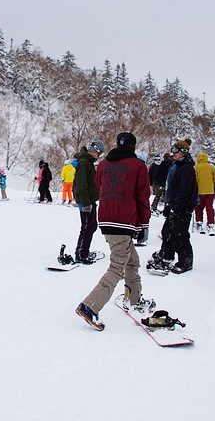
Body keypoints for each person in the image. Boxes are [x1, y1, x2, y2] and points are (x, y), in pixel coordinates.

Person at [75, 132, 154, 331]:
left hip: (106, 217)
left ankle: (133, 298)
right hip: (124, 219)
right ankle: (90, 306)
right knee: (117, 266)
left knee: (132, 260)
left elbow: (99, 183)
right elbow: (143, 196)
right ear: (133, 147)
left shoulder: (103, 164)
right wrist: (144, 224)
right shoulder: (138, 166)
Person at [147, 138, 198, 275]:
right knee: (167, 232)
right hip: (175, 204)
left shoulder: (186, 168)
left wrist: (176, 207)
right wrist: (170, 205)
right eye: (172, 150)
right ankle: (166, 255)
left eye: (176, 151)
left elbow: (184, 190)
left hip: (183, 206)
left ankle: (186, 261)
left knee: (179, 234)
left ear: (184, 152)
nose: (173, 153)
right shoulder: (177, 166)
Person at [72, 139, 105, 264]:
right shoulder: (85, 162)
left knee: (91, 226)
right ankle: (81, 254)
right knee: (87, 227)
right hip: (86, 201)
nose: (99, 156)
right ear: (95, 151)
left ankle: (84, 251)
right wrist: (86, 203)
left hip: (90, 200)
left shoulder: (88, 162)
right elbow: (80, 185)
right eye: (99, 153)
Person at [193, 152, 215, 234]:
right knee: (209, 207)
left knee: (199, 207)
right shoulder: (211, 168)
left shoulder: (196, 168)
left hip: (199, 191)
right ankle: (211, 223)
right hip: (210, 191)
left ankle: (199, 221)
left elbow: (194, 179)